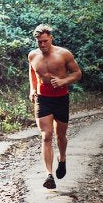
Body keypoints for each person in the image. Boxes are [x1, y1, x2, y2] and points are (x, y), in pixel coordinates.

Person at [28, 24, 82, 189]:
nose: (42, 45)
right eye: (39, 42)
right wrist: (32, 88)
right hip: (42, 99)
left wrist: (63, 81)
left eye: (45, 41)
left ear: (51, 38)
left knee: (60, 136)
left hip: (60, 99)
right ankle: (49, 175)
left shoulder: (63, 54)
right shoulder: (32, 55)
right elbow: (32, 71)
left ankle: (62, 158)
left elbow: (78, 73)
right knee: (46, 136)